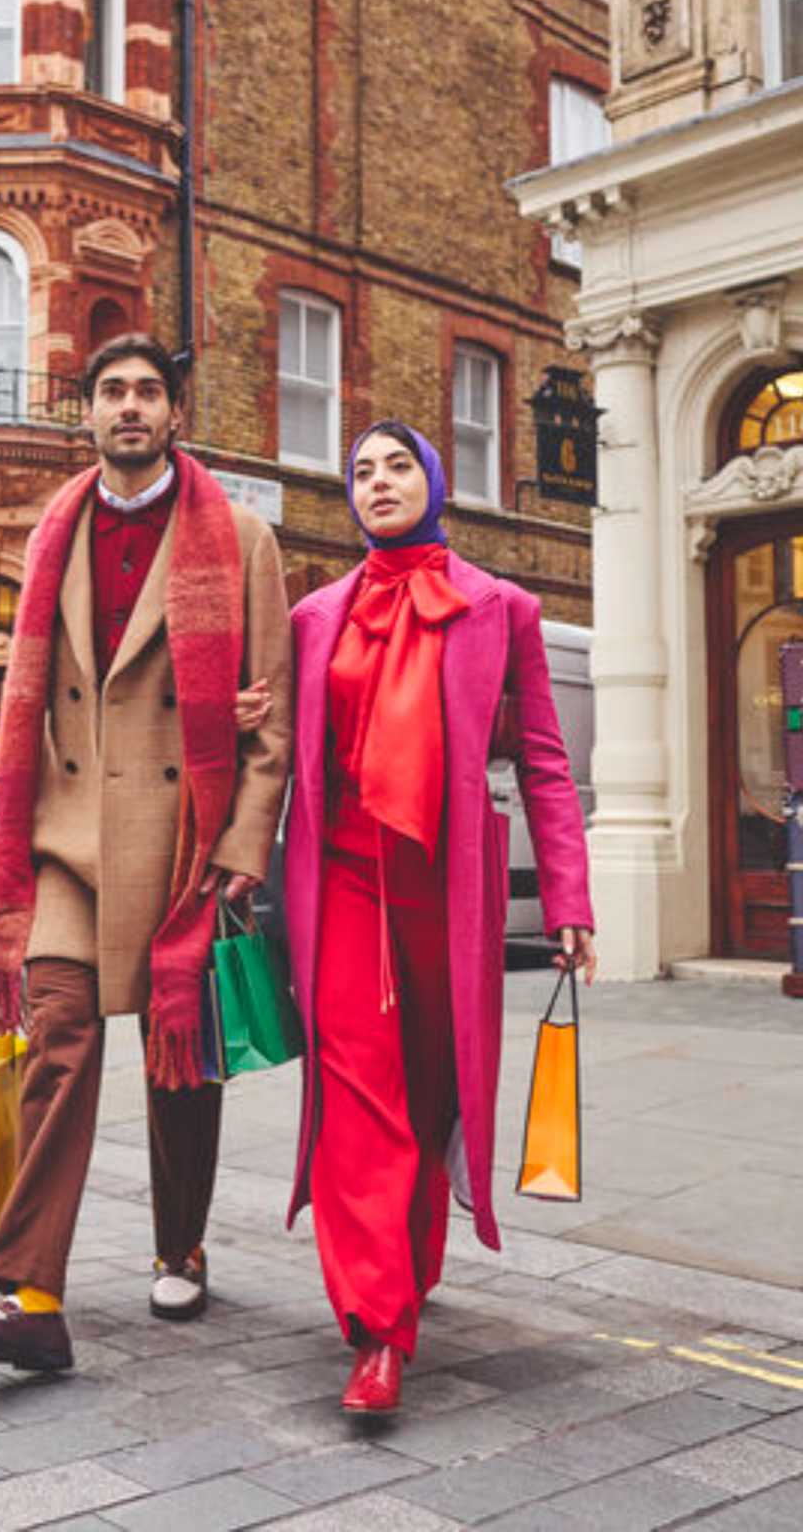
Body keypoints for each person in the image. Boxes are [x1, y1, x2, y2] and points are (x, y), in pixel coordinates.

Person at [0, 332, 292, 1375]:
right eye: (110, 392)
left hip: (181, 842)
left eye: (146, 392)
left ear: (174, 413)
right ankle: (31, 1291)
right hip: (65, 841)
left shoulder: (241, 540)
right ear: (83, 414)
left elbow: (269, 727)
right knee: (58, 1043)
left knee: (180, 1064)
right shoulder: (53, 531)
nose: (128, 407)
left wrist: (242, 849)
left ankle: (179, 1241)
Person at [281, 420, 595, 1415]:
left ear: (432, 481)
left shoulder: (500, 609)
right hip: (338, 886)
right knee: (356, 1094)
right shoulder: (312, 616)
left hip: (440, 894)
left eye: (393, 466)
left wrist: (568, 897)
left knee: (427, 1090)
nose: (375, 482)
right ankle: (375, 1327)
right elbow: (285, 752)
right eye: (358, 470)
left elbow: (541, 759)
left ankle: (404, 1262)